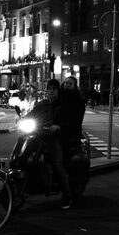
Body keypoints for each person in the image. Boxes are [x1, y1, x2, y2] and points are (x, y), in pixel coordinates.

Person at [28, 78, 85, 209]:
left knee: (57, 163)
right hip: (44, 134)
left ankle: (67, 196)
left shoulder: (69, 103)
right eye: (49, 88)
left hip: (60, 136)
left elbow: (72, 121)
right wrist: (22, 120)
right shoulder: (47, 102)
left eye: (54, 88)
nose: (51, 91)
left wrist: (58, 127)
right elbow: (35, 113)